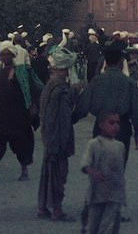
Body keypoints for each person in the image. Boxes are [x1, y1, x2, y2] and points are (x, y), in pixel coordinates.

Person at [0, 42, 38, 184]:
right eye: (2, 54)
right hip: (1, 115)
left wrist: (32, 107)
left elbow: (30, 90)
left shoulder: (21, 72)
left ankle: (24, 171)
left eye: (7, 54)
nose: (4, 57)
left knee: (21, 143)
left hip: (18, 115)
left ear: (13, 55)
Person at [74, 43, 138, 163]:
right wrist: (137, 133)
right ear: (121, 61)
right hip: (122, 128)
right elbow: (136, 110)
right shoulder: (129, 83)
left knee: (99, 166)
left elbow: (83, 106)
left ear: (106, 61)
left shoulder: (96, 81)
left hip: (101, 127)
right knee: (118, 168)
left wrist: (71, 120)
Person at [37, 46, 78, 222]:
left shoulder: (50, 85)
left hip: (51, 138)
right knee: (58, 175)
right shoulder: (61, 88)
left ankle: (43, 207)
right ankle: (57, 210)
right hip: (58, 139)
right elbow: (61, 118)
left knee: (48, 173)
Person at [80, 112, 127, 234]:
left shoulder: (120, 146)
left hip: (115, 193)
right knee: (92, 225)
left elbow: (120, 171)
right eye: (111, 123)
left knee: (109, 225)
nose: (115, 126)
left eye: (117, 123)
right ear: (101, 125)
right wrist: (93, 172)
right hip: (98, 193)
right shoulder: (94, 144)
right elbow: (85, 164)